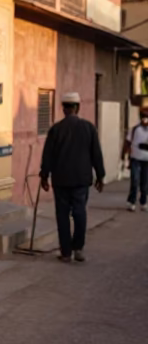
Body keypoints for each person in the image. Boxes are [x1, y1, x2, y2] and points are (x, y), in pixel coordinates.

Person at [40, 91, 105, 263]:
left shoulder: (56, 129)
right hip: (81, 179)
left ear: (63, 109)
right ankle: (78, 248)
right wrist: (100, 176)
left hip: (61, 179)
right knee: (79, 212)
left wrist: (44, 176)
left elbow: (47, 155)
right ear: (78, 107)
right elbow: (96, 154)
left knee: (62, 215)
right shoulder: (89, 128)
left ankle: (66, 252)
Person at [122, 107, 148, 211]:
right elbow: (127, 143)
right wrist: (123, 155)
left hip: (146, 160)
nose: (145, 118)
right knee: (135, 180)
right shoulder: (134, 129)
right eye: (143, 116)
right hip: (135, 159)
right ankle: (132, 201)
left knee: (145, 182)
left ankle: (143, 201)